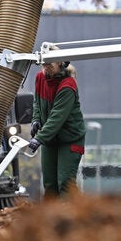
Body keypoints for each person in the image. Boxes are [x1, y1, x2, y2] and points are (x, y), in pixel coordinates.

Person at [27, 45, 86, 198]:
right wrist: (36, 119)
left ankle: (71, 211)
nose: (46, 67)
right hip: (50, 138)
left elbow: (57, 117)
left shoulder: (68, 85)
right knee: (49, 184)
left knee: (65, 183)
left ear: (59, 63)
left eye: (49, 64)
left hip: (70, 139)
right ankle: (52, 213)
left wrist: (39, 138)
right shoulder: (40, 78)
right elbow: (37, 102)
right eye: (44, 64)